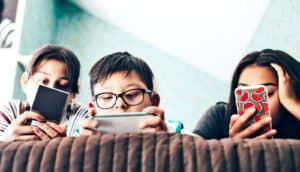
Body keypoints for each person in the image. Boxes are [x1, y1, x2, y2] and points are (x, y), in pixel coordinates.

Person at [193, 49, 300, 139]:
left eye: (267, 93)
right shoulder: (220, 116)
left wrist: (290, 101)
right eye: (244, 94)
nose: (253, 106)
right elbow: (189, 158)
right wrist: (234, 147)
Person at [0, 45, 88, 141]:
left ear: (73, 94)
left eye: (62, 85)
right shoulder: (11, 111)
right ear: (25, 82)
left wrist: (63, 146)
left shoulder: (83, 119)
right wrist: (4, 141)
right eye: (42, 81)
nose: (51, 89)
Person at [74, 52, 168, 135]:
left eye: (132, 94)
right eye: (107, 97)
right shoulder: (78, 138)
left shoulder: (172, 134)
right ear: (93, 108)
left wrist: (163, 142)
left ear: (154, 102)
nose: (119, 104)